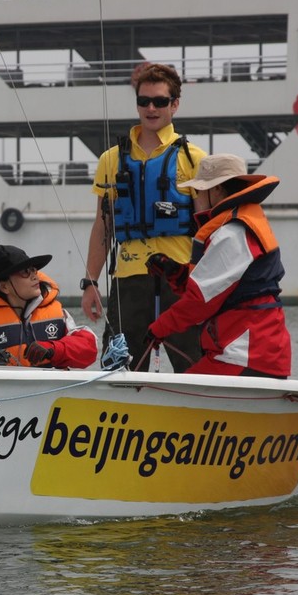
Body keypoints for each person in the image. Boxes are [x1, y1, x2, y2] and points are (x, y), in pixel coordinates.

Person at [80, 62, 207, 372]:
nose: (151, 108)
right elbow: (103, 226)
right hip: (128, 280)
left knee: (194, 366)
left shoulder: (194, 159)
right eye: (144, 101)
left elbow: (208, 229)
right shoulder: (111, 159)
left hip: (180, 281)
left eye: (160, 101)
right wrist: (91, 282)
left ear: (175, 104)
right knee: (119, 369)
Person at [145, 153, 291, 378]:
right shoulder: (239, 225)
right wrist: (176, 273)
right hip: (254, 351)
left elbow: (200, 301)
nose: (195, 197)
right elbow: (219, 287)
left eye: (199, 191)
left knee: (181, 399)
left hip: (245, 354)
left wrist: (159, 328)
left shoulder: (232, 233)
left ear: (217, 191)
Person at [0, 245, 98, 368]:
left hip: (53, 391)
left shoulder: (57, 313)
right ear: (4, 286)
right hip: (7, 391)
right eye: (25, 272)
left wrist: (53, 349)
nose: (35, 276)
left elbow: (90, 348)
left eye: (34, 270)